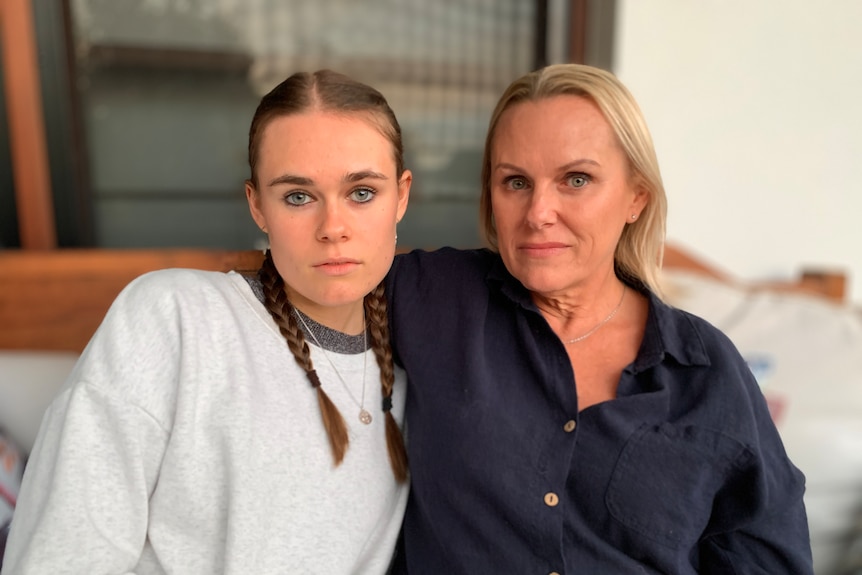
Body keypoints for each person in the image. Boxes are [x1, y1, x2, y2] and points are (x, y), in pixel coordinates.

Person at [386, 63, 812, 574]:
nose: (539, 211)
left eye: (576, 179)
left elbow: (768, 558)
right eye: (516, 182)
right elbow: (308, 275)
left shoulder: (703, 368)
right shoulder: (433, 296)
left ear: (636, 196)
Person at [2, 69, 411, 574]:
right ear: (257, 205)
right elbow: (62, 555)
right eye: (298, 197)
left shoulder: (423, 353)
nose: (333, 228)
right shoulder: (175, 318)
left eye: (362, 193)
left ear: (403, 196)